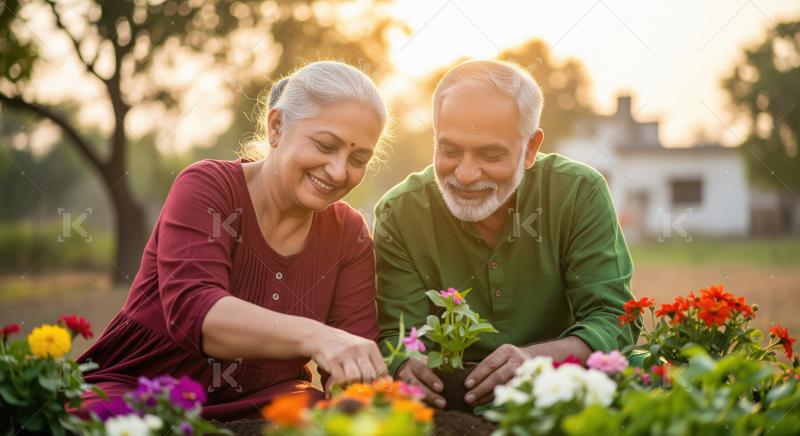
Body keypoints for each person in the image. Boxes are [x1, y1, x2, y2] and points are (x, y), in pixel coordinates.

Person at [77, 61, 389, 421]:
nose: (338, 171)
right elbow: (197, 312)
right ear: (276, 127)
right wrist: (317, 336)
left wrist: (351, 390)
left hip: (264, 398)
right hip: (140, 386)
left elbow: (353, 357)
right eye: (325, 145)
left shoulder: (348, 234)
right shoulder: (208, 187)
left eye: (358, 158)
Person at [374, 59, 638, 409]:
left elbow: (612, 318)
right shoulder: (401, 212)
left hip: (558, 396)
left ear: (530, 148)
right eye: (450, 150)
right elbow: (398, 335)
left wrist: (535, 361)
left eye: (491, 154)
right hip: (449, 406)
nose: (465, 174)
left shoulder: (577, 193)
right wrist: (406, 365)